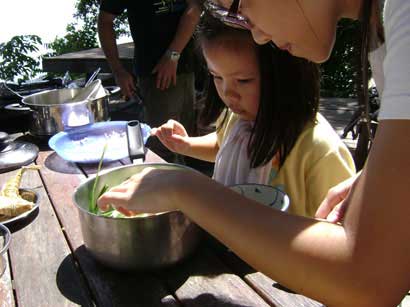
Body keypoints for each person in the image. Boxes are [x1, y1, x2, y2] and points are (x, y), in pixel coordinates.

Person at [98, 0, 410, 305]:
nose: (258, 36)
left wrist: (183, 188)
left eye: (239, 6)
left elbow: (368, 281)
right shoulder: (385, 26)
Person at [152, 14, 355, 217]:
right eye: (217, 77)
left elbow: (338, 230)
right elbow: (221, 145)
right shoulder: (237, 117)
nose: (228, 93)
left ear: (286, 74)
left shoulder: (320, 152)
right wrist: (185, 145)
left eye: (243, 80)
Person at [98, 0, 201, 163]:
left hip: (187, 68)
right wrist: (118, 71)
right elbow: (104, 20)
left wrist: (172, 55)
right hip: (155, 75)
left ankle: (183, 184)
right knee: (162, 148)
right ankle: (162, 185)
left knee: (187, 144)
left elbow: (194, 8)